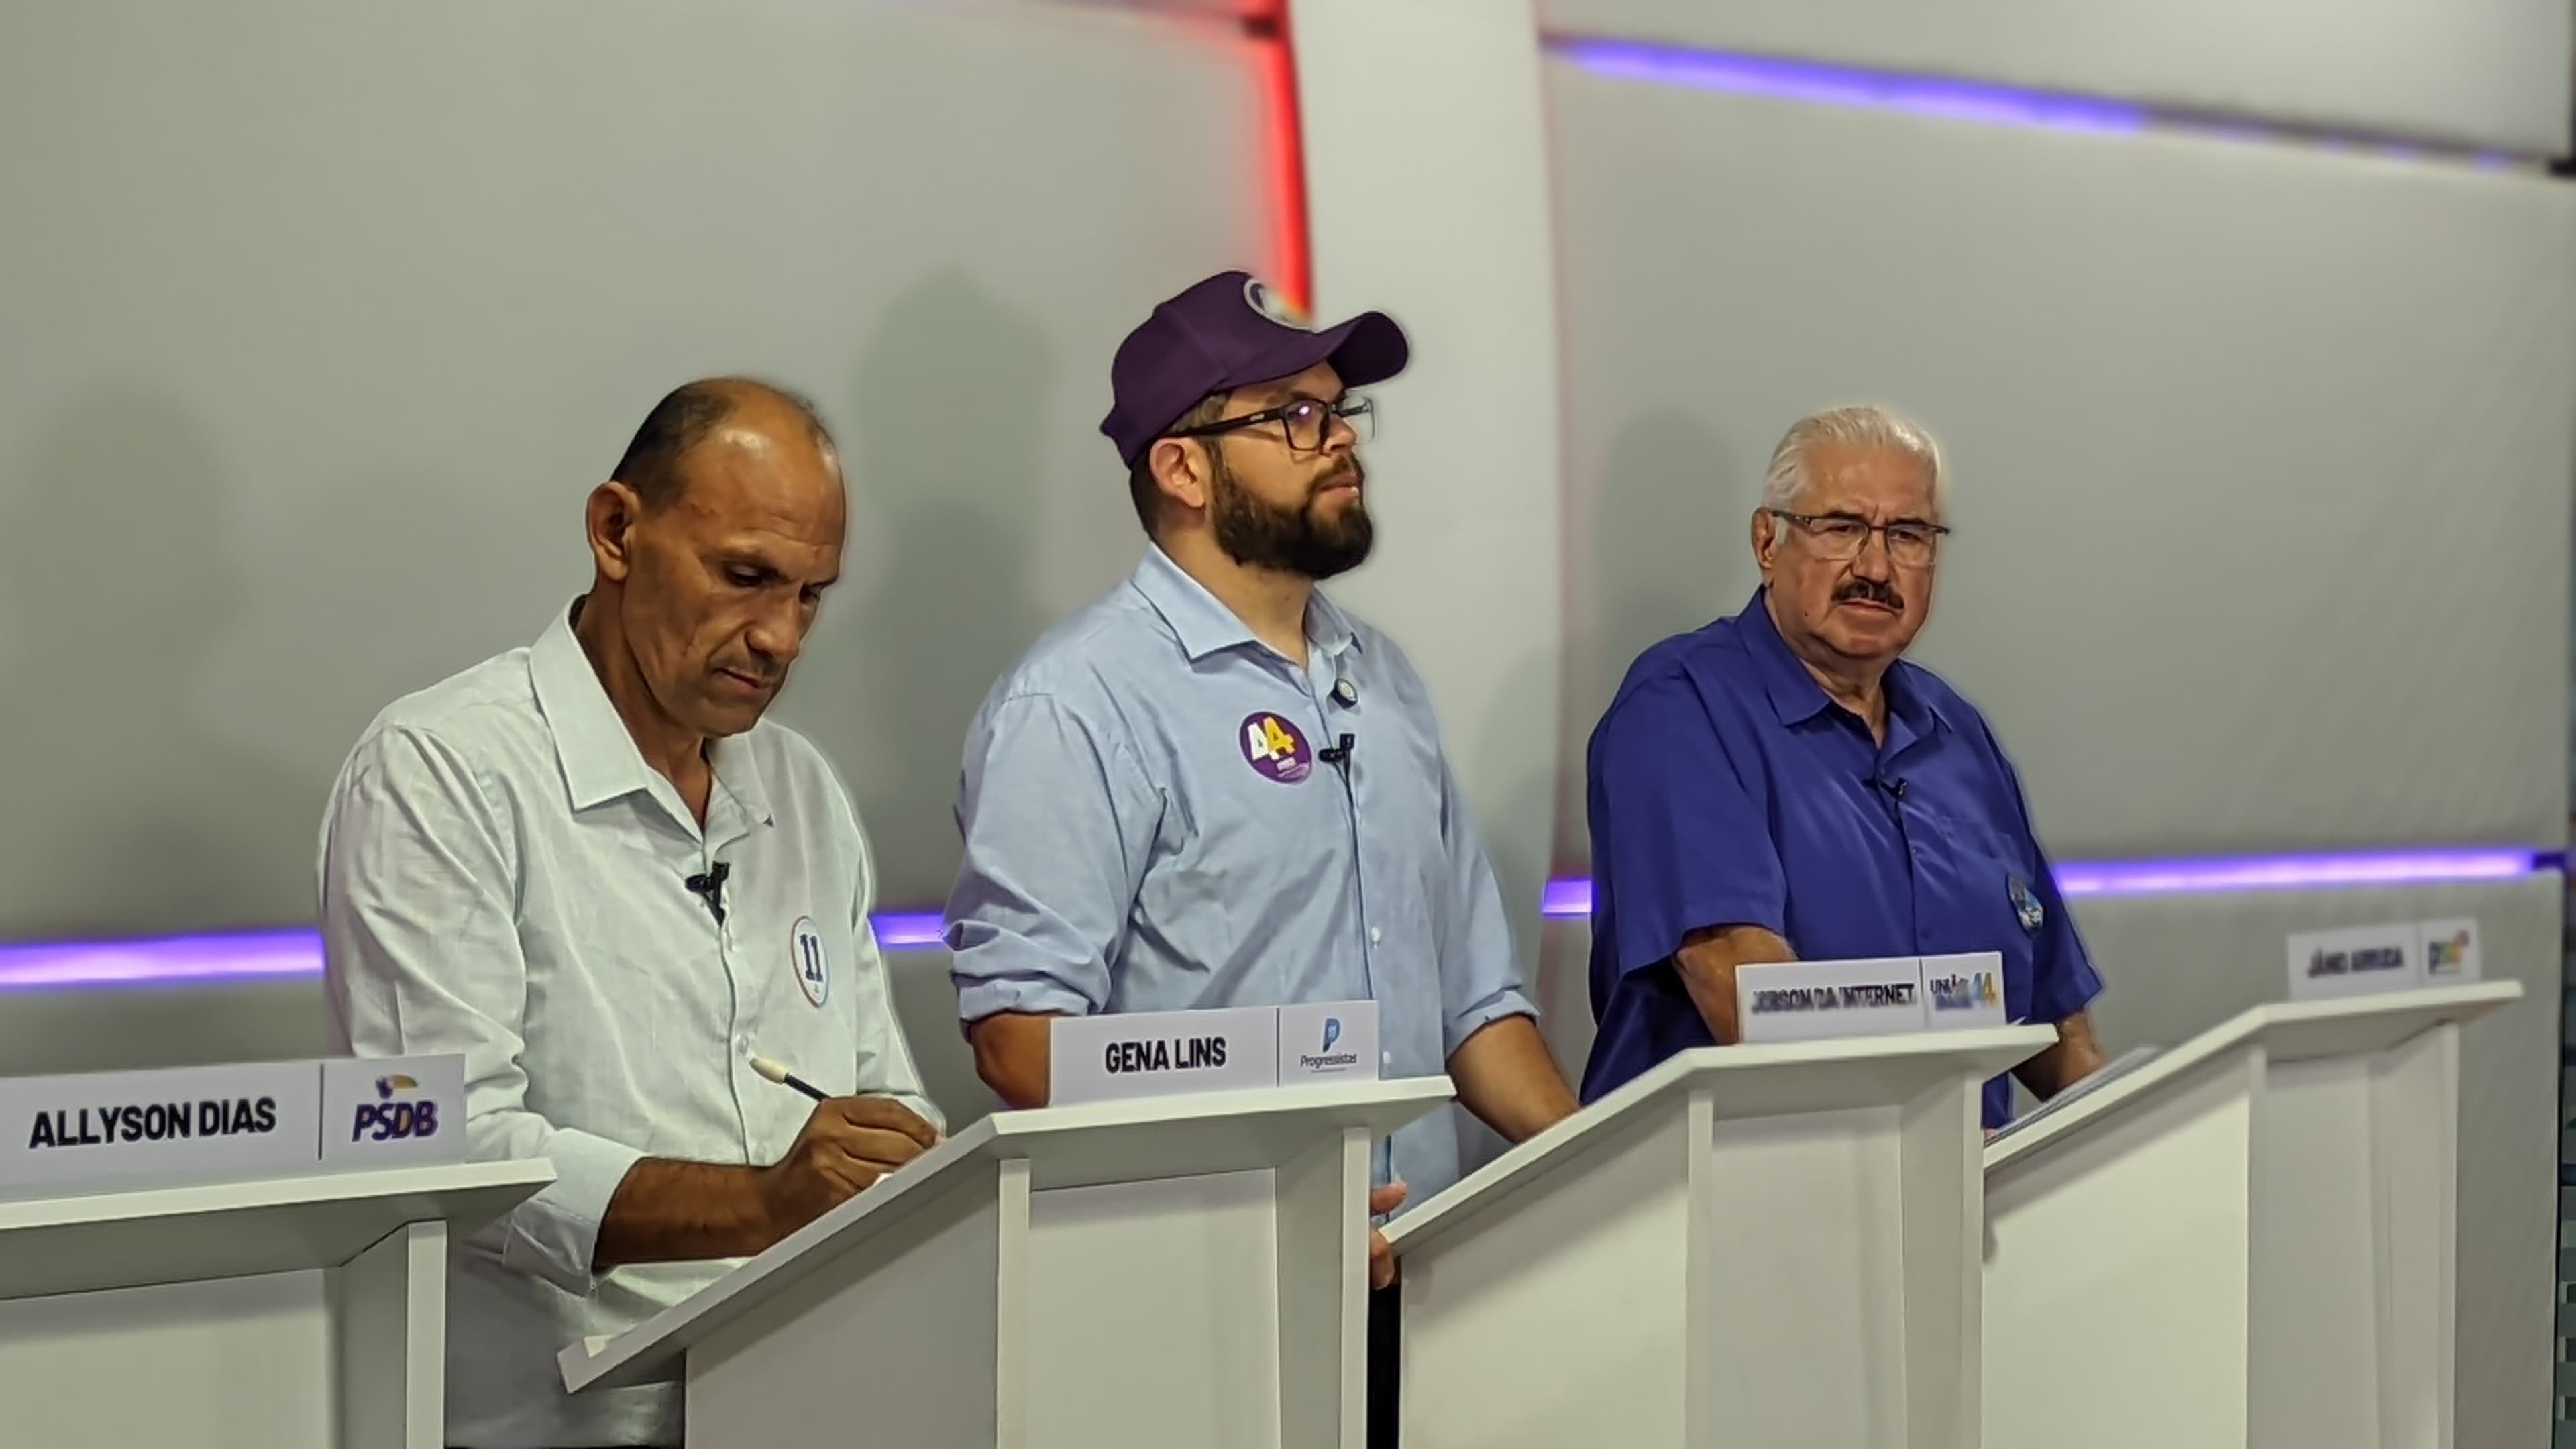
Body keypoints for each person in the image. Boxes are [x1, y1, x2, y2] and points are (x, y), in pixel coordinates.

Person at [320, 378, 941, 1449]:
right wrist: (764, 1202)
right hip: (560, 1420)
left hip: (808, 1397)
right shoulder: (444, 770)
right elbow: (453, 1151)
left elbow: (875, 1093)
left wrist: (903, 1162)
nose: (781, 637)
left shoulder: (800, 790)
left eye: (810, 595)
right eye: (746, 578)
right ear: (617, 531)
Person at [943, 270, 1580, 1275]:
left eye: (1338, 410)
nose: (1341, 438)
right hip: (1208, 1291)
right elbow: (1022, 1041)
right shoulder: (1077, 703)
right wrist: (1272, 1198)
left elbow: (1476, 1009)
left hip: (1424, 1283)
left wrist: (1596, 1176)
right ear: (1182, 470)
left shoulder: (1386, 680)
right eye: (1293, 415)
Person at [1580, 405, 2106, 1130]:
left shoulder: (1958, 734)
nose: (1876, 567)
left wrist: (2129, 1141)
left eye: (1908, 535)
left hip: (1951, 1207)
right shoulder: (1683, 706)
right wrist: (1926, 1138)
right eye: (1841, 528)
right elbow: (1740, 981)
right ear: (1769, 541)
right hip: (1729, 1202)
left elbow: (2055, 1025)